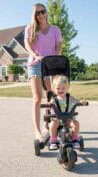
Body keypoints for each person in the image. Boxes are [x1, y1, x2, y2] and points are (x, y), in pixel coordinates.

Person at [24, 3, 62, 141]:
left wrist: (56, 56)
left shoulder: (55, 29)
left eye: (42, 11)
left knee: (51, 96)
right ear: (35, 15)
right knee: (37, 97)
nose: (40, 15)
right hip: (35, 64)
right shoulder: (30, 28)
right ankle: (37, 131)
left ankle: (49, 122)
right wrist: (35, 55)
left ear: (46, 12)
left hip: (50, 64)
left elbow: (59, 45)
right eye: (37, 13)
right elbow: (27, 44)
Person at [48, 75, 81, 150]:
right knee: (52, 125)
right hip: (57, 119)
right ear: (54, 89)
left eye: (63, 88)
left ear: (67, 88)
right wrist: (48, 105)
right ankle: (53, 140)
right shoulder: (54, 99)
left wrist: (81, 102)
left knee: (76, 123)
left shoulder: (70, 97)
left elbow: (77, 101)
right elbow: (49, 105)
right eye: (58, 88)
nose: (61, 90)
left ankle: (75, 139)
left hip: (68, 119)